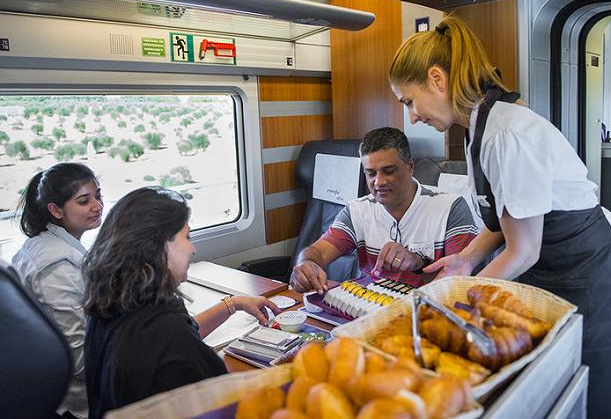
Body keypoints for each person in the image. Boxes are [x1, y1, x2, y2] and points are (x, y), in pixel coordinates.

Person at [388, 14, 611, 418]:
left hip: (589, 278)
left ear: (437, 79)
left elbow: (523, 250)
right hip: (555, 276)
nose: (412, 116)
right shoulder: (476, 131)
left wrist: (454, 298)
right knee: (553, 395)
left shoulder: (507, 132)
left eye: (409, 102)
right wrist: (468, 257)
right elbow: (504, 219)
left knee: (596, 402)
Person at [82, 186, 280, 418]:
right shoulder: (168, 336)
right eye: (187, 237)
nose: (193, 249)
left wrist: (234, 304)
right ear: (157, 246)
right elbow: (227, 406)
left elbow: (186, 330)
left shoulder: (113, 307)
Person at [290, 127, 478, 292]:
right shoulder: (357, 210)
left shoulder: (451, 207)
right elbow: (318, 252)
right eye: (371, 173)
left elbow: (458, 280)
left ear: (410, 166)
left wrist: (416, 263)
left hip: (427, 313)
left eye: (389, 171)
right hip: (369, 309)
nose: (378, 182)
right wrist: (306, 265)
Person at [12, 163, 103, 419]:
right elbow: (80, 359)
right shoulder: (56, 266)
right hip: (76, 404)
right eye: (84, 201)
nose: (97, 206)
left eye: (98, 196)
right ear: (55, 210)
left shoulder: (43, 244)